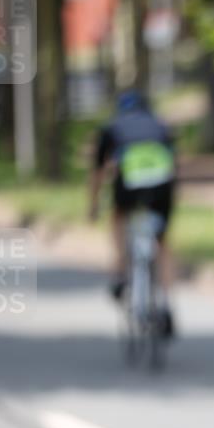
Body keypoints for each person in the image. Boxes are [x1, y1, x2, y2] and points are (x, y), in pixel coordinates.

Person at [88, 90, 177, 337]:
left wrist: (93, 207)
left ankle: (119, 270)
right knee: (162, 240)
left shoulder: (112, 127)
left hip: (129, 181)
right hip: (161, 182)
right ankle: (167, 304)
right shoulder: (160, 125)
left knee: (118, 216)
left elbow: (97, 173)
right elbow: (173, 163)